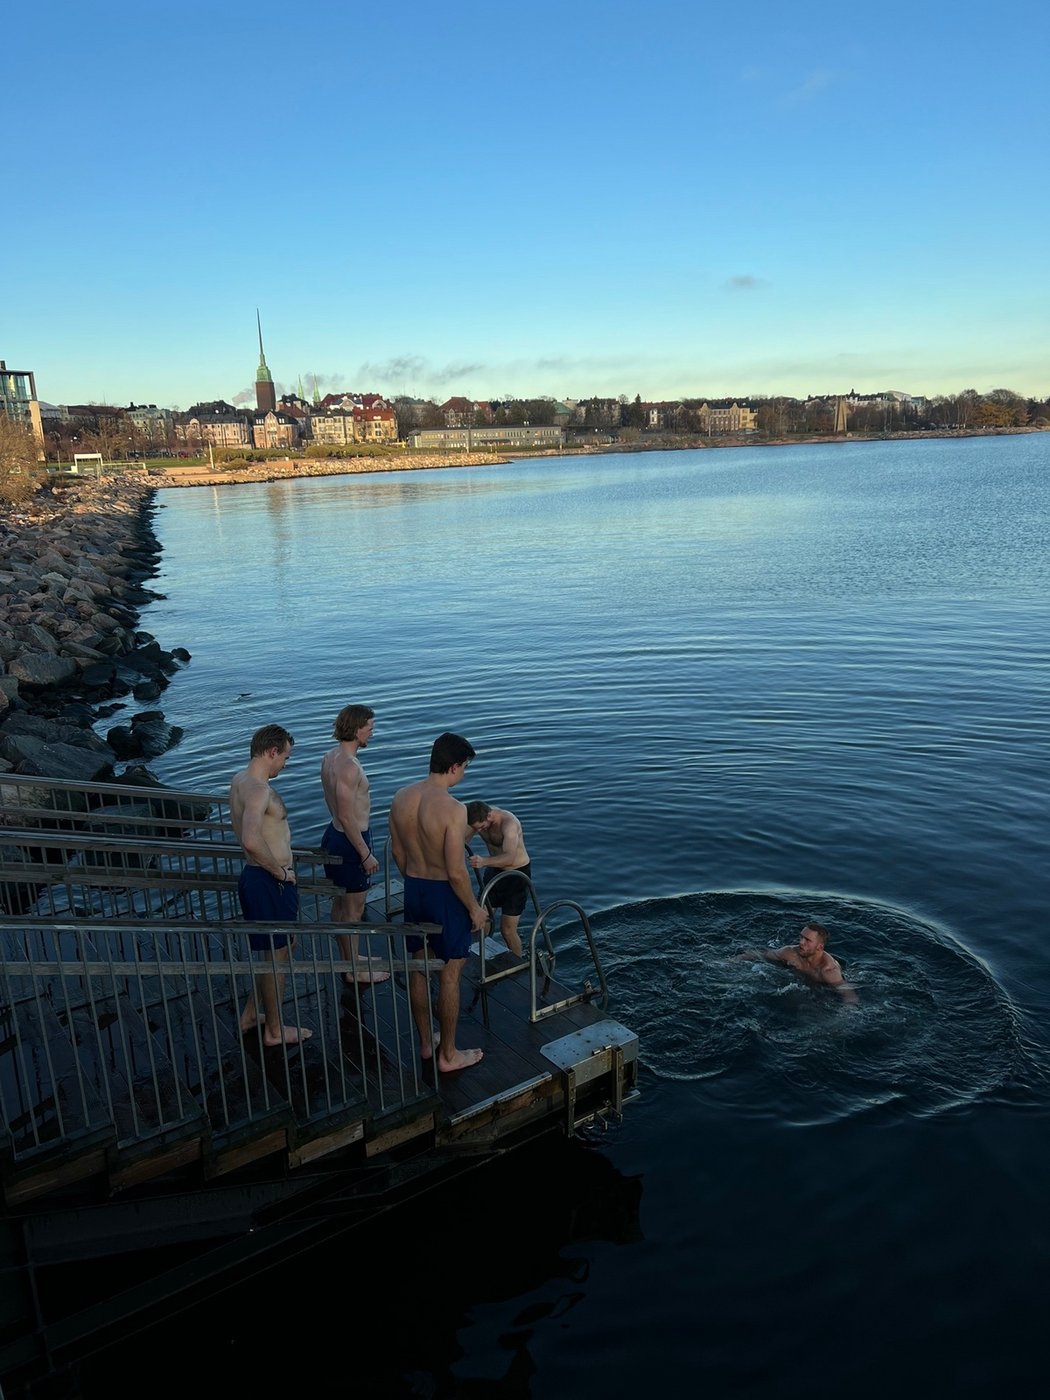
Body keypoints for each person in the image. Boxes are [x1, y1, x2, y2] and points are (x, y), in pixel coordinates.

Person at [389, 732, 489, 1072]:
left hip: (414, 887)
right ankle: (448, 1054)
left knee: (419, 967)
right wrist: (475, 908)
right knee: (450, 973)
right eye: (465, 768)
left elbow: (396, 852)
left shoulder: (402, 797)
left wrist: (414, 879)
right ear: (455, 766)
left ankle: (425, 1044)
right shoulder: (453, 809)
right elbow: (456, 872)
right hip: (445, 894)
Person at [231, 724, 312, 1046]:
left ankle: (252, 1013)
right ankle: (275, 1031)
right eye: (285, 757)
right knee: (277, 956)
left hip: (260, 878)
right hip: (268, 880)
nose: (285, 764)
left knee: (281, 947)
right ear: (272, 751)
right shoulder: (258, 790)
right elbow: (251, 840)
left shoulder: (240, 780)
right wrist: (280, 873)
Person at [320, 703, 390, 986]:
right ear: (357, 728)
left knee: (341, 903)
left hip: (335, 835)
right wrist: (365, 853)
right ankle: (353, 970)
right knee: (354, 909)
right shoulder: (349, 767)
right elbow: (348, 815)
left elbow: (333, 805)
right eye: (370, 727)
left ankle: (349, 958)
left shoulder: (329, 757)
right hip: (351, 841)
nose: (372, 732)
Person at [465, 800, 532, 958]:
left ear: (489, 816)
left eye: (481, 827)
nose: (479, 831)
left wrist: (483, 861)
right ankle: (484, 954)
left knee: (507, 930)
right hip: (494, 871)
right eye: (476, 829)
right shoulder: (477, 820)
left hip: (516, 875)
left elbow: (510, 857)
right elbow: (462, 841)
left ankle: (519, 963)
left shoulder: (509, 823)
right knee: (481, 919)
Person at [740, 922, 856, 1000]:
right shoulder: (790, 953)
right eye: (801, 937)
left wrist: (838, 1021)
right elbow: (761, 954)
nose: (801, 942)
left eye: (807, 940)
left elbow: (850, 998)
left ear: (819, 947)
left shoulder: (829, 971)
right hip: (796, 984)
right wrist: (733, 960)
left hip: (822, 994)